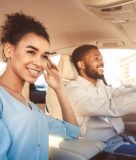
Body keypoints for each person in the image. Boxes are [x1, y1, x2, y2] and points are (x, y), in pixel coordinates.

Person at [0, 12, 80, 160]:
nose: (39, 63)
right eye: (31, 52)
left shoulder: (32, 109)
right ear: (9, 50)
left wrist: (59, 88)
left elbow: (72, 132)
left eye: (44, 56)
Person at [64, 44, 136, 159]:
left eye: (101, 59)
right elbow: (113, 107)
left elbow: (124, 92)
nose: (101, 62)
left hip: (122, 138)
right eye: (96, 58)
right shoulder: (73, 91)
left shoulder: (100, 86)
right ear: (81, 65)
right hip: (104, 149)